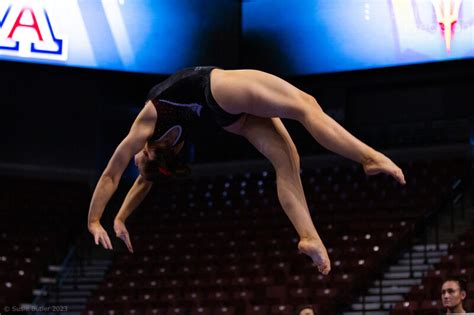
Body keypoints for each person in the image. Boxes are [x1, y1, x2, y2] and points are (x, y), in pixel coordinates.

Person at [87, 66, 406, 275]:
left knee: (287, 159)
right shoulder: (148, 123)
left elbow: (142, 181)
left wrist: (118, 218)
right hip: (219, 87)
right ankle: (369, 157)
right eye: (137, 162)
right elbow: (111, 175)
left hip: (225, 117)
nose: (134, 163)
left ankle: (310, 238)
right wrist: (94, 220)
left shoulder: (164, 152)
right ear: (146, 155)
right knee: (305, 105)